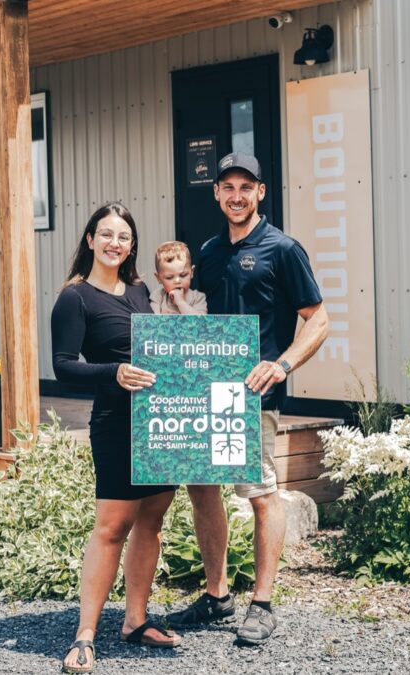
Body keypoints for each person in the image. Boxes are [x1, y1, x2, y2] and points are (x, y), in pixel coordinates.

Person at [165, 153, 329, 645]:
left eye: (246, 186)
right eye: (227, 186)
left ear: (260, 192)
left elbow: (317, 320)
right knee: (201, 489)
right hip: (206, 393)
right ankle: (217, 597)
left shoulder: (283, 249)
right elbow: (194, 312)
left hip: (254, 396)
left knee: (260, 494)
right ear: (216, 193)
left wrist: (281, 364)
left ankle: (262, 602)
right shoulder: (210, 251)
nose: (236, 195)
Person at [51, 202, 181, 673]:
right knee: (111, 528)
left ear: (132, 246)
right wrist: (115, 372)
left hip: (159, 422)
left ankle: (135, 621)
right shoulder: (76, 297)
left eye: (123, 237)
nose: (114, 243)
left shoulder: (142, 290)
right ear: (90, 240)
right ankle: (85, 635)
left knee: (152, 520)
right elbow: (63, 367)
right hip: (115, 423)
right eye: (105, 234)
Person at [150, 241, 207, 316]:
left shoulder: (198, 298)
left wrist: (181, 302)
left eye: (183, 275)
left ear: (191, 272)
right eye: (169, 277)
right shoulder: (158, 297)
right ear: (159, 278)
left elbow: (200, 323)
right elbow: (152, 323)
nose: (177, 281)